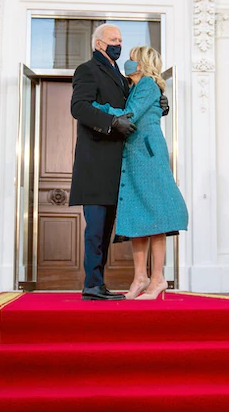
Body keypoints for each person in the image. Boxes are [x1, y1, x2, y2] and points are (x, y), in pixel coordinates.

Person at [69, 25, 168, 301]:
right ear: (99, 43)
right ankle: (92, 285)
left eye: (121, 40)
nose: (119, 44)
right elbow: (79, 107)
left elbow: (135, 106)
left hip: (121, 166)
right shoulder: (87, 70)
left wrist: (160, 102)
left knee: (106, 229)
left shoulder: (123, 78)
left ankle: (99, 284)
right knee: (96, 229)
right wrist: (111, 121)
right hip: (96, 162)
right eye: (113, 39)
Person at [91, 46, 188, 301]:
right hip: (134, 155)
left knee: (155, 214)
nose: (128, 62)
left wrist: (97, 108)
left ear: (142, 64)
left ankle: (157, 278)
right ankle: (140, 278)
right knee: (137, 215)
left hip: (147, 155)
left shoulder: (146, 84)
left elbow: (129, 114)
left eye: (132, 59)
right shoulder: (134, 86)